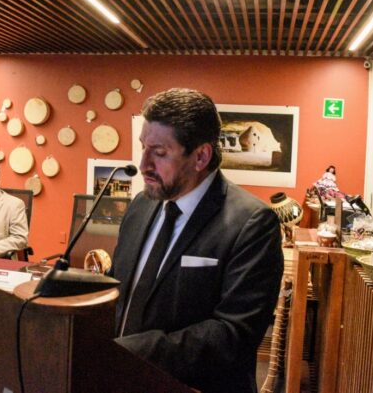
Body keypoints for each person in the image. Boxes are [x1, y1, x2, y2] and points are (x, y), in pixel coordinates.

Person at [111, 88, 283, 393]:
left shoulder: (252, 223)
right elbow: (119, 291)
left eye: (159, 152)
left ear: (201, 156)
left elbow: (233, 334)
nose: (143, 164)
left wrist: (129, 352)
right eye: (143, 147)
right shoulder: (140, 206)